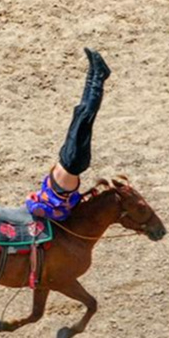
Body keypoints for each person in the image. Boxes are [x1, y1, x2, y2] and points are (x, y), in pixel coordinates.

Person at [26, 48, 110, 221]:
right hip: (72, 162)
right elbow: (34, 208)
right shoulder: (57, 209)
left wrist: (33, 201)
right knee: (85, 116)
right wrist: (32, 201)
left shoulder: (55, 201)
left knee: (80, 112)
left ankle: (93, 73)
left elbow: (33, 206)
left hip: (66, 159)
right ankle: (99, 77)